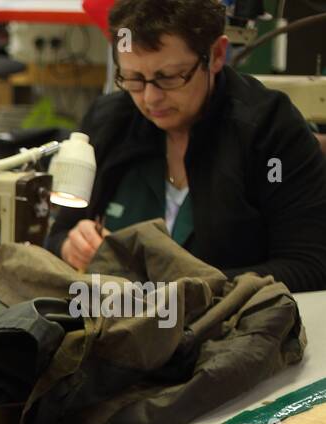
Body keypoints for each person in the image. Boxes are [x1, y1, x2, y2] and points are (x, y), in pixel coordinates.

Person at [46, 0, 326, 292]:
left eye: (168, 77)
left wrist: (185, 292)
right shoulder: (110, 123)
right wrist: (70, 245)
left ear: (216, 55)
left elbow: (309, 266)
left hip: (228, 328)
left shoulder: (270, 132)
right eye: (133, 78)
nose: (151, 99)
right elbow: (58, 234)